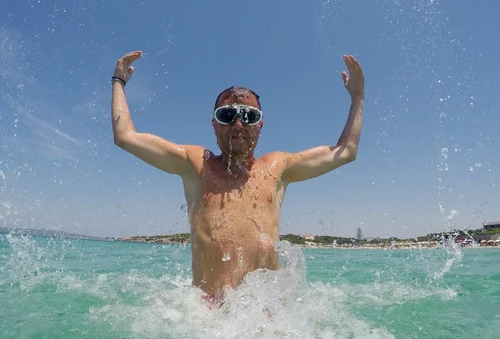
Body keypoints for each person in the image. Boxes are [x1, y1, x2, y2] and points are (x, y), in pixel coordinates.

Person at [111, 51, 364, 304]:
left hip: (265, 313)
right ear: (214, 125)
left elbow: (345, 152)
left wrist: (357, 97)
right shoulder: (196, 164)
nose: (239, 124)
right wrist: (118, 82)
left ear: (260, 126)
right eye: (227, 115)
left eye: (249, 116)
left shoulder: (278, 167)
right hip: (208, 314)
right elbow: (125, 136)